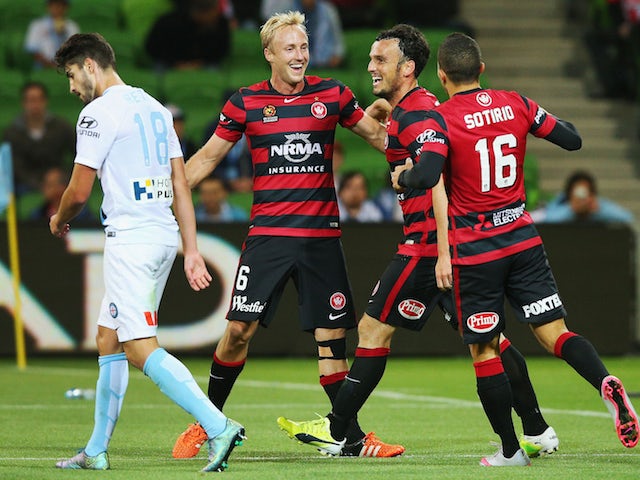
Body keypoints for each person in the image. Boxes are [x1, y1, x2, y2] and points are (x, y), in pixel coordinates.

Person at [277, 24, 559, 461]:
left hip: (428, 246)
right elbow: (408, 152)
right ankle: (537, 428)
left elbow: (438, 184)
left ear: (407, 68)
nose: (371, 66)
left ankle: (336, 429)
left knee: (373, 329)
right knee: (491, 341)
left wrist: (444, 252)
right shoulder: (414, 107)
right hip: (444, 245)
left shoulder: (419, 115)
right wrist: (382, 117)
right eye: (370, 58)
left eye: (380, 60)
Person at [388, 32, 638, 466]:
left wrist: (403, 177)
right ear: (481, 70)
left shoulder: (441, 118)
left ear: (442, 76)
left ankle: (510, 451)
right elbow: (572, 139)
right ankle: (603, 381)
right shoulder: (516, 103)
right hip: (523, 239)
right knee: (555, 334)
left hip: (476, 251)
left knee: (484, 349)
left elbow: (427, 175)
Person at [171, 10, 402, 459]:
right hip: (269, 238)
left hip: (321, 240)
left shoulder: (332, 94)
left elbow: (379, 136)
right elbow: (205, 160)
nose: (300, 56)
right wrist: (166, 197)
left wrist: (419, 141)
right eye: (290, 48)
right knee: (239, 330)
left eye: (304, 47)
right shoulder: (245, 102)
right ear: (269, 54)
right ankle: (207, 422)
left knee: (332, 341)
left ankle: (352, 437)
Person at [49, 32, 245, 473]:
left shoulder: (97, 114)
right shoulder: (155, 108)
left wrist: (59, 218)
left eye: (70, 75)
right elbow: (180, 183)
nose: (71, 87)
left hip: (131, 241)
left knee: (139, 348)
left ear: (89, 66)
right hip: (161, 236)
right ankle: (96, 450)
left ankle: (218, 427)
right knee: (109, 337)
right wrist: (190, 248)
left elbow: (79, 192)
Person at [2, 81, 76, 195]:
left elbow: (78, 153)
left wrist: (62, 177)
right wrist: (40, 183)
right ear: (24, 103)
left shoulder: (61, 127)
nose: (35, 105)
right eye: (31, 100)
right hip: (25, 185)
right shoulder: (12, 133)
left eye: (38, 100)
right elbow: (14, 167)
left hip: (58, 181)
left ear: (45, 101)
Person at [145, 0, 232, 71]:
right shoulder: (169, 22)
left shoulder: (220, 22)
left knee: (213, 69)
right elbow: (152, 47)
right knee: (159, 69)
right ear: (194, 11)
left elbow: (222, 50)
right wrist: (175, 63)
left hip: (204, 63)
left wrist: (200, 63)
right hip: (169, 63)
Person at [260, 0, 345, 68]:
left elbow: (337, 38)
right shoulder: (287, 9)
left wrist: (337, 54)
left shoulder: (328, 10)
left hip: (324, 60)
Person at [532, 170, 634, 224]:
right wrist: (571, 210)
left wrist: (599, 209)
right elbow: (544, 218)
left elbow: (626, 217)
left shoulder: (598, 205)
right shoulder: (560, 203)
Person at [24, 0, 80, 70]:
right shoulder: (37, 25)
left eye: (61, 5)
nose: (58, 8)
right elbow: (33, 51)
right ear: (48, 7)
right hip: (42, 67)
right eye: (54, 5)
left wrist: (63, 34)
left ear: (66, 8)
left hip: (66, 67)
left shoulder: (71, 26)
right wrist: (50, 65)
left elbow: (75, 51)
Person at [29, 166, 94, 222]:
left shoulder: (82, 214)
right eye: (44, 185)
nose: (44, 188)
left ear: (62, 187)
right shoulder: (39, 214)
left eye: (49, 185)